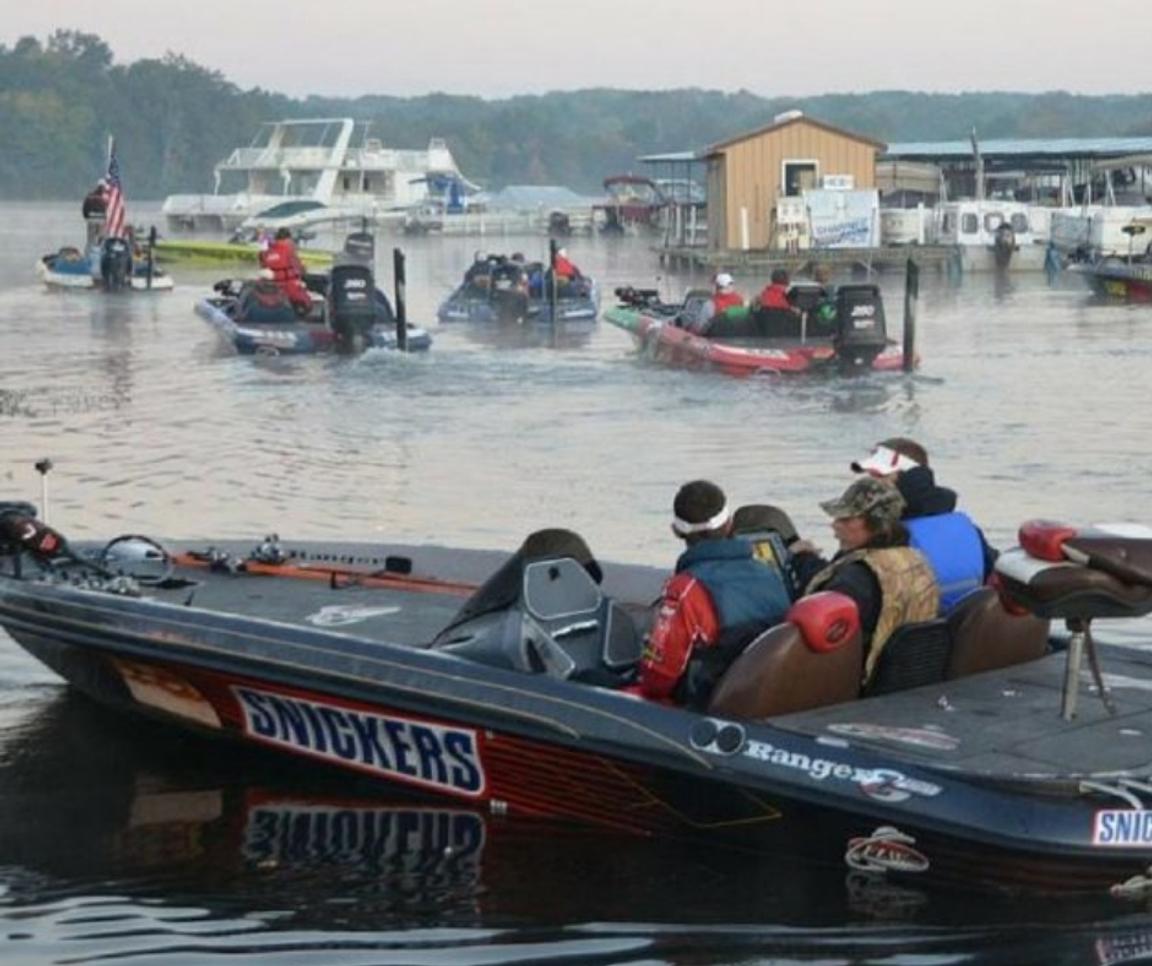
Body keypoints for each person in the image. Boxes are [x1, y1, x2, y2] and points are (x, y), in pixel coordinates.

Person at [638, 480, 791, 708]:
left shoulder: (686, 589)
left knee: (593, 679)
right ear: (729, 524)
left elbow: (658, 679)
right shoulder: (769, 574)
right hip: (763, 695)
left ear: (676, 530)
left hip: (707, 706)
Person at [796, 477, 939, 688]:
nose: (834, 525)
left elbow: (816, 645)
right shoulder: (916, 561)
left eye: (846, 519)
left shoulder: (853, 582)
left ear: (876, 524)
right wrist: (806, 560)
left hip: (860, 688)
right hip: (909, 680)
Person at [850, 438, 997, 612]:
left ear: (907, 478)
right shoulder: (967, 528)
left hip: (905, 635)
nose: (870, 485)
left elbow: (843, 589)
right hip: (964, 628)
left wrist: (809, 562)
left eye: (880, 476)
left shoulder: (882, 536)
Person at [259, 227, 311, 315]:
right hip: (289, 284)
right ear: (288, 238)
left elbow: (263, 265)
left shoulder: (268, 251)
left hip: (271, 284)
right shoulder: (289, 249)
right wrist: (303, 271)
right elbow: (297, 265)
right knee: (306, 305)